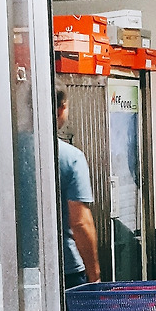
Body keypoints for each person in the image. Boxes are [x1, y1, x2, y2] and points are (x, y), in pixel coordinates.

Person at [56, 87, 100, 287]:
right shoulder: (70, 157)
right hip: (66, 271)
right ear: (61, 109)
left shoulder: (2, 154)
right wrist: (94, 274)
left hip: (6, 271)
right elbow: (80, 222)